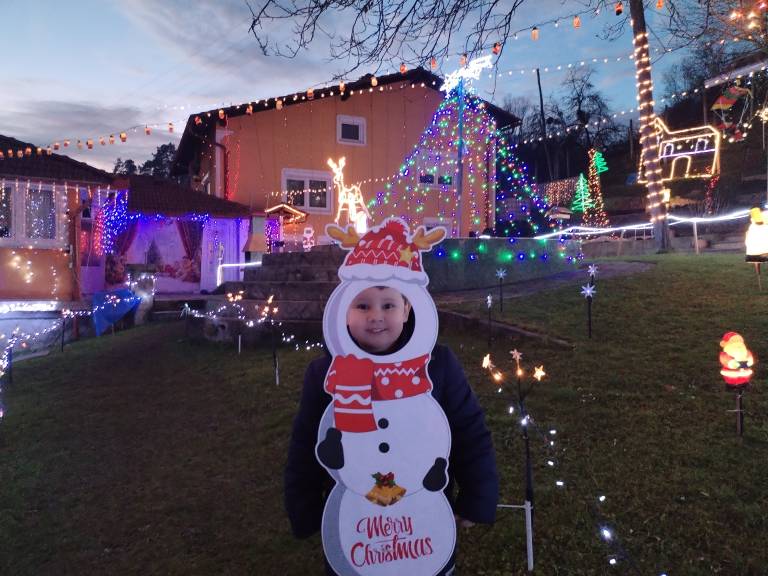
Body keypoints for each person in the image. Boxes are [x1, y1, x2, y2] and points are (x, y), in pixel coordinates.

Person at [285, 284, 499, 575]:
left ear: (407, 309)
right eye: (362, 306)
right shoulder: (325, 374)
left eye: (388, 305)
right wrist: (305, 509)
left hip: (423, 517)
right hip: (356, 522)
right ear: (343, 312)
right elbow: (306, 444)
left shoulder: (438, 366)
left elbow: (469, 434)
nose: (376, 316)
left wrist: (477, 498)